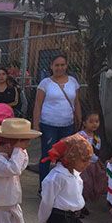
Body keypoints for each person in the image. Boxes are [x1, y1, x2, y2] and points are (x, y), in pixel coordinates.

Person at [33, 54, 82, 186]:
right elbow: (38, 104)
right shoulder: (45, 83)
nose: (59, 68)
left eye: (62, 65)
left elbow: (76, 102)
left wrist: (79, 119)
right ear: (51, 66)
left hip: (68, 125)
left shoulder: (73, 82)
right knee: (48, 155)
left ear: (66, 66)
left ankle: (62, 186)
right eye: (57, 65)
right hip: (49, 125)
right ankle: (44, 186)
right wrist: (36, 125)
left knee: (66, 156)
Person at [77, 112, 107, 205]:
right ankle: (78, 206)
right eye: (91, 122)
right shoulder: (80, 135)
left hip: (93, 165)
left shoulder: (97, 137)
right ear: (84, 123)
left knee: (92, 184)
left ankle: (83, 204)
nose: (94, 124)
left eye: (97, 121)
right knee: (83, 184)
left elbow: (97, 151)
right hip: (82, 164)